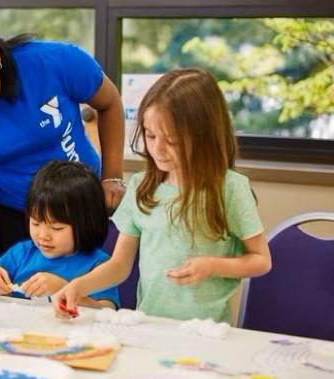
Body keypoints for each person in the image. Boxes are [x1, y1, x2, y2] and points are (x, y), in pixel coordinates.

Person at [53, 69, 272, 323]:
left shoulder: (230, 188)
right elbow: (120, 265)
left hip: (208, 331)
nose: (157, 149)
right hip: (151, 325)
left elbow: (261, 260)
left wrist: (212, 265)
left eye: (172, 140)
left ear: (204, 136)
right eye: (151, 135)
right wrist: (78, 286)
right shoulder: (141, 186)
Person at [0, 9, 126, 262]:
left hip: (81, 202)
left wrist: (112, 176)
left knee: (87, 289)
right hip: (11, 212)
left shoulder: (55, 62)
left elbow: (109, 104)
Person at [0, 160, 119, 308]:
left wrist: (63, 289)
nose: (43, 235)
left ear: (87, 223)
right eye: (35, 223)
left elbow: (107, 311)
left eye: (57, 228)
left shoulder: (99, 265)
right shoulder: (23, 253)